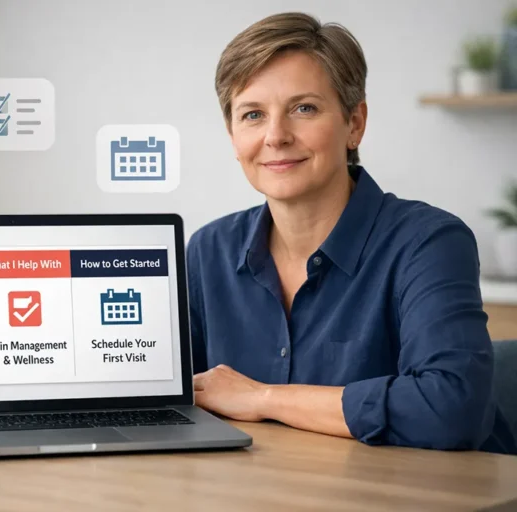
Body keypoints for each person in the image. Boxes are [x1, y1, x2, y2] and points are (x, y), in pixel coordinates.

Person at [187, 12, 517, 454]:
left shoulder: (429, 243)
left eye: (304, 108)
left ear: (355, 123)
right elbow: (172, 395)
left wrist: (263, 398)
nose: (276, 136)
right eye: (252, 115)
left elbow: (451, 409)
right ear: (232, 135)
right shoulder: (208, 250)